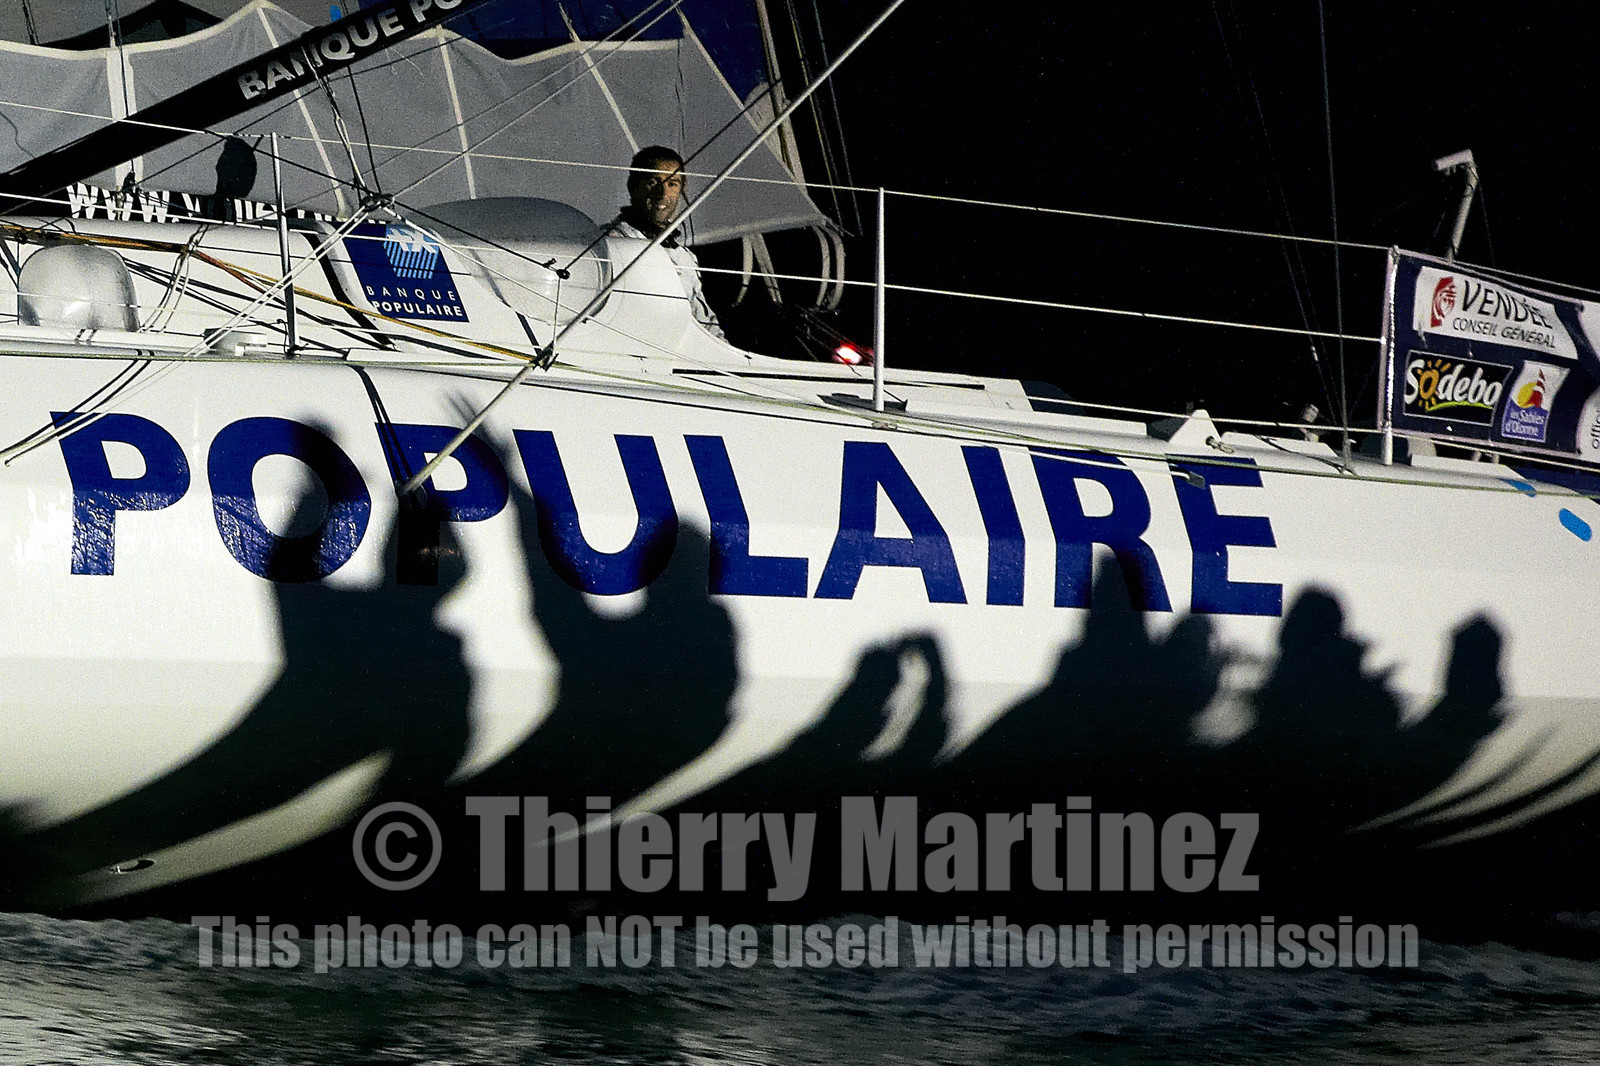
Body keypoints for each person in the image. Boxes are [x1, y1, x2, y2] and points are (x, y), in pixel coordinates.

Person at [607, 145, 724, 338]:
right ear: (633, 186)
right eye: (654, 181)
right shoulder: (612, 243)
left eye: (673, 184)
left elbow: (704, 322)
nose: (662, 194)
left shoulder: (685, 257)